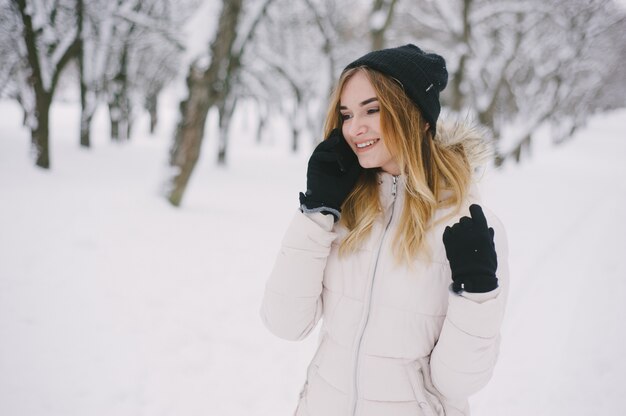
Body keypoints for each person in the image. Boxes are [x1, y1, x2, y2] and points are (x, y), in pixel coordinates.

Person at [260, 44, 509, 416]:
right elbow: (284, 323)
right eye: (346, 114)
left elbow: (458, 382)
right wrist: (315, 212)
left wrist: (475, 293)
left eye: (372, 110)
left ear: (418, 116)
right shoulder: (342, 210)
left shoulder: (465, 226)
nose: (354, 128)